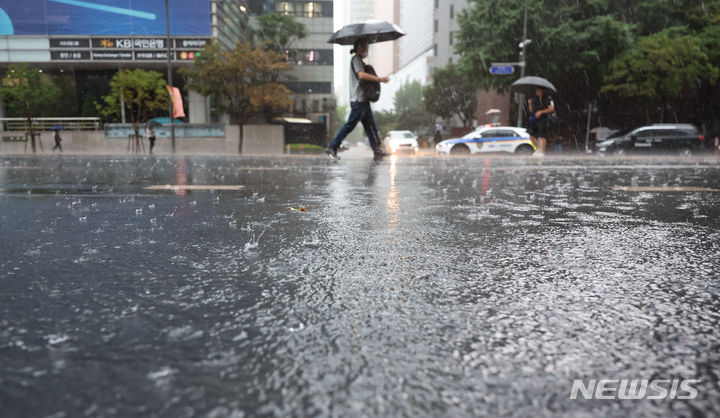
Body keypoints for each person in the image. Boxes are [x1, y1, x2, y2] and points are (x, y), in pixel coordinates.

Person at [326, 37, 390, 160]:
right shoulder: (356, 59)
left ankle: (377, 150)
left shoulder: (359, 60)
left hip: (363, 100)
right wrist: (379, 79)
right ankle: (332, 147)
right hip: (358, 100)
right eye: (366, 47)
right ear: (360, 48)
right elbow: (361, 75)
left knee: (371, 126)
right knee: (350, 125)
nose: (367, 50)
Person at [527, 87, 555, 156]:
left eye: (538, 90)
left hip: (544, 119)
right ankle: (538, 149)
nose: (536, 91)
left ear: (542, 91)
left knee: (541, 136)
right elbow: (531, 110)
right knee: (531, 136)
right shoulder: (535, 99)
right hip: (535, 120)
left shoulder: (547, 98)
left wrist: (541, 112)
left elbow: (551, 108)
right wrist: (530, 103)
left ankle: (542, 152)